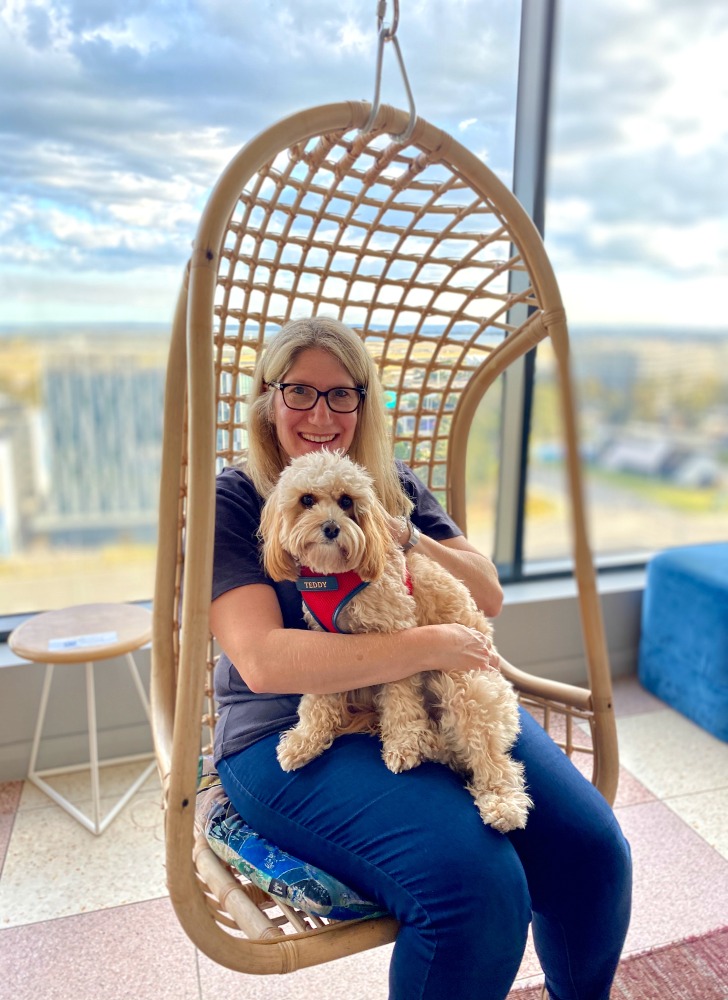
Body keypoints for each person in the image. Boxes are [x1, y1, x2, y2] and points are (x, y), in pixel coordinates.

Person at [211, 316, 632, 1000]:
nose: (321, 414)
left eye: (342, 394)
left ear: (364, 403)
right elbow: (262, 660)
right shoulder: (237, 498)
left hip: (435, 697)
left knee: (594, 853)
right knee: (476, 887)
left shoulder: (388, 485)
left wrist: (403, 536)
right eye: (300, 392)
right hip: (283, 729)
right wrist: (426, 644)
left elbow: (486, 592)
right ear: (267, 398)